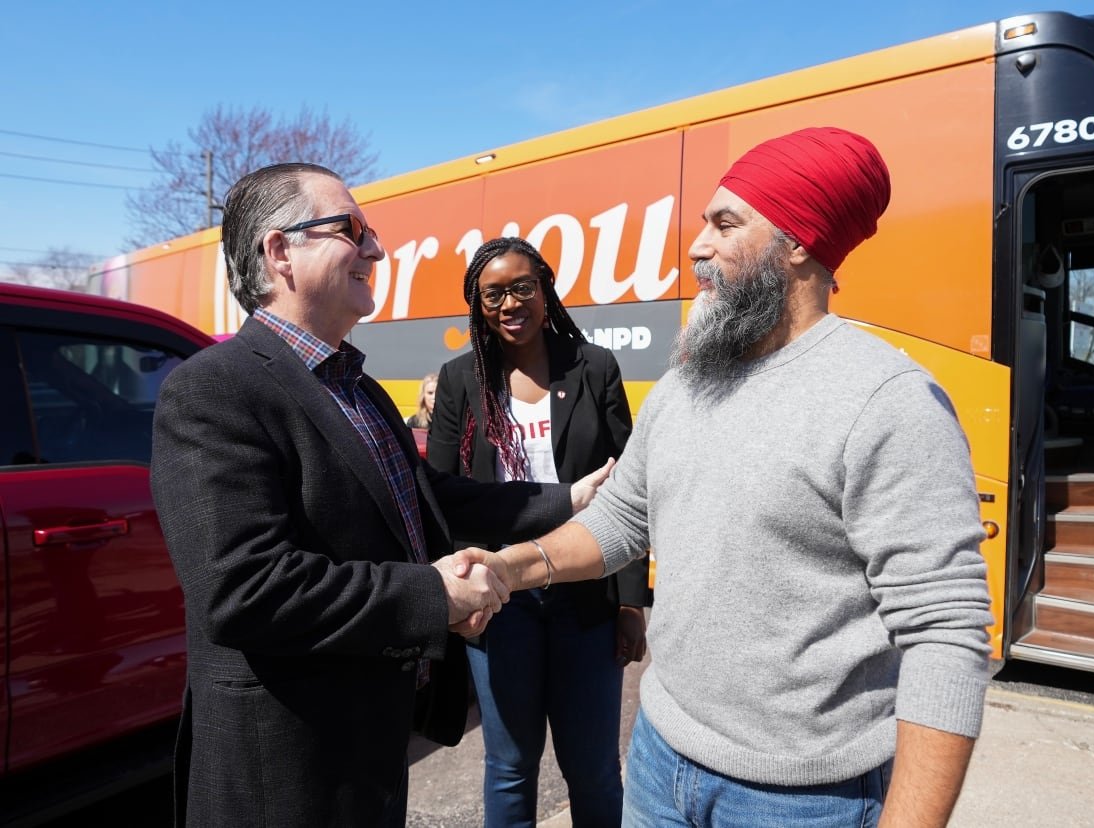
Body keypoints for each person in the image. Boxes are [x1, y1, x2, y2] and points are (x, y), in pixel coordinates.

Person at [480, 128, 995, 827]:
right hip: (660, 759)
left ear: (799, 243)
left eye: (727, 224)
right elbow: (623, 519)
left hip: (807, 801)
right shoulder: (688, 381)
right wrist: (511, 568)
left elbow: (945, 635)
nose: (697, 247)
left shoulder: (889, 400)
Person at [150, 163, 609, 827]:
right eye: (351, 231)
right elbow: (243, 589)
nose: (377, 249)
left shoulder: (357, 389)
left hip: (371, 751)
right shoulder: (213, 390)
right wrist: (435, 597)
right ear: (279, 251)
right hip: (286, 774)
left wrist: (568, 499)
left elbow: (433, 501)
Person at [429, 237, 651, 827]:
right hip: (499, 600)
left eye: (522, 287)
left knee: (594, 767)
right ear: (477, 305)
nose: (510, 303)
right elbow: (444, 497)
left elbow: (627, 491)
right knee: (509, 767)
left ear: (545, 287)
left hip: (585, 595)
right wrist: (459, 596)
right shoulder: (459, 381)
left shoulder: (594, 367)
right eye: (493, 293)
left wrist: (630, 600)